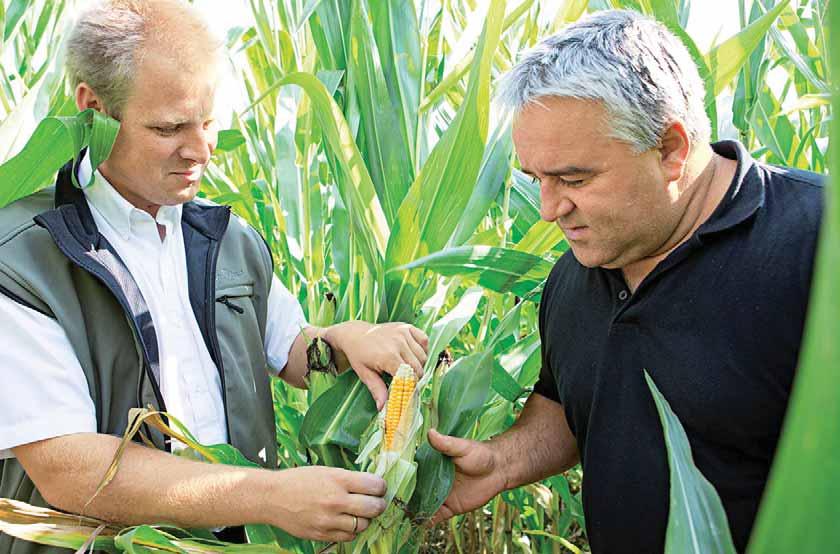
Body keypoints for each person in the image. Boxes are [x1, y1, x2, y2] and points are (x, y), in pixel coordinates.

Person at [0, 1, 429, 552]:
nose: (201, 151)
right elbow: (71, 468)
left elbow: (291, 351)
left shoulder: (229, 239)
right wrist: (270, 497)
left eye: (206, 122)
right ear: (94, 107)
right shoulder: (24, 258)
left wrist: (344, 341)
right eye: (170, 127)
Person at [428, 9, 824, 554]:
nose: (548, 209)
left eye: (573, 178)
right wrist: (502, 462)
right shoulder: (574, 275)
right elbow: (572, 404)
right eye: (535, 179)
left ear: (670, 150)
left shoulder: (819, 245)